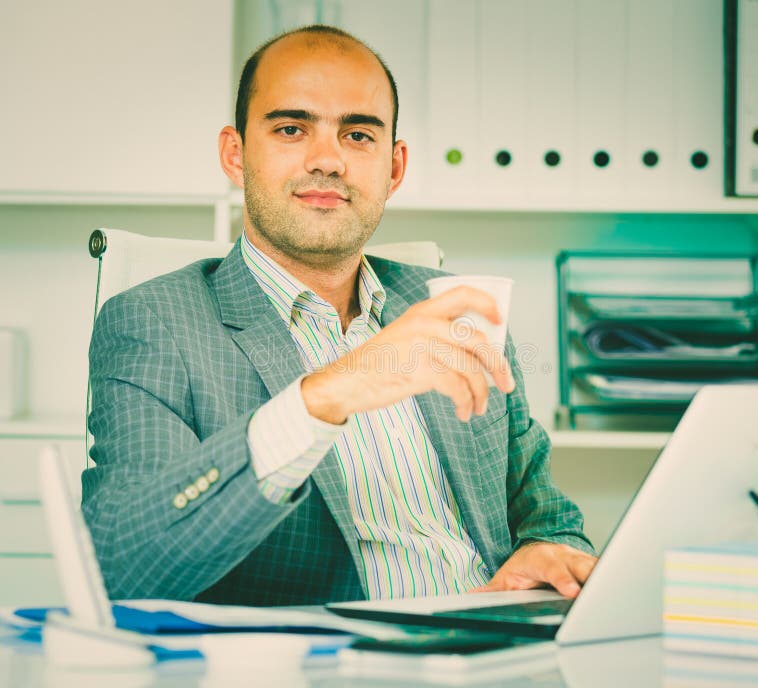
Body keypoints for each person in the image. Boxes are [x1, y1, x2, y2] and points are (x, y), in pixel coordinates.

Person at [84, 24, 596, 606]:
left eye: (357, 135)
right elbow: (126, 563)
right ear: (235, 154)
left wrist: (546, 549)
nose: (327, 160)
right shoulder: (152, 323)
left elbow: (544, 514)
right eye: (291, 129)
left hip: (493, 653)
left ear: (395, 168)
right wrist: (321, 399)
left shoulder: (452, 308)